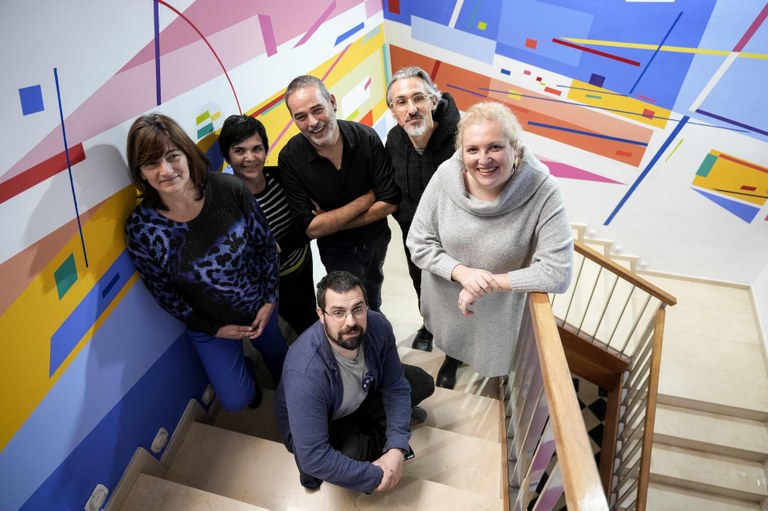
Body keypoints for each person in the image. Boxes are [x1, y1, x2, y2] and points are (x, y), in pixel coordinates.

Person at [124, 113, 287, 411]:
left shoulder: (229, 189)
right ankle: (248, 370)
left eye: (172, 156)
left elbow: (265, 247)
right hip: (209, 325)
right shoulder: (141, 228)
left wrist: (269, 299)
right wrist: (213, 328)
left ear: (187, 154)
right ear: (141, 173)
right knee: (238, 401)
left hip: (259, 305)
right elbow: (164, 293)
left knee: (279, 357)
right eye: (151, 163)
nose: (165, 170)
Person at [406, 101, 573, 389]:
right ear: (462, 151)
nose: (483, 159)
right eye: (472, 149)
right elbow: (418, 240)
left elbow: (558, 272)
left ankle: (495, 379)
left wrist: (486, 284)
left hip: (499, 310)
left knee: (493, 359)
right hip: (447, 297)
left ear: (514, 147)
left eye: (494, 147)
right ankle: (451, 359)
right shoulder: (446, 176)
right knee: (453, 339)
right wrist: (463, 273)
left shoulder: (544, 191)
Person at [274, 271, 434, 493]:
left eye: (357, 309)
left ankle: (389, 425)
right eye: (338, 312)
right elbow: (313, 457)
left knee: (422, 383)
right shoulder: (305, 372)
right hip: (329, 420)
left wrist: (397, 448)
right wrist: (378, 474)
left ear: (366, 306)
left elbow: (395, 386)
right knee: (353, 455)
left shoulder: (378, 326)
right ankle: (384, 425)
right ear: (321, 314)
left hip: (362, 394)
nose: (350, 322)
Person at [278, 75, 401, 312]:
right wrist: (369, 198)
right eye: (301, 117)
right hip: (335, 251)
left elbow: (389, 202)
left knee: (373, 291)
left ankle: (374, 315)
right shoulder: (290, 158)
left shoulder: (367, 138)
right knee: (349, 304)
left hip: (376, 239)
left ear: (332, 102)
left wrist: (330, 221)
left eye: (317, 110)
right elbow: (312, 228)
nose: (312, 122)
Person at [218, 114, 317, 337]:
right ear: (227, 157)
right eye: (239, 151)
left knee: (312, 308)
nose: (250, 158)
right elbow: (249, 256)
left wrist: (281, 245)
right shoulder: (229, 202)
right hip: (276, 281)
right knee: (311, 327)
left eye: (257, 149)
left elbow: (309, 224)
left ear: (266, 150)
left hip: (302, 259)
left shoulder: (282, 177)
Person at [385, 66, 460, 352]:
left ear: (433, 101)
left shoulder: (462, 139)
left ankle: (454, 350)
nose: (411, 108)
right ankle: (428, 325)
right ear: (393, 111)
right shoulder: (394, 140)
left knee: (455, 294)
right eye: (401, 102)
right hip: (415, 237)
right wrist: (410, 224)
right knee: (422, 286)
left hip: (456, 242)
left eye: (418, 98)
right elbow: (392, 190)